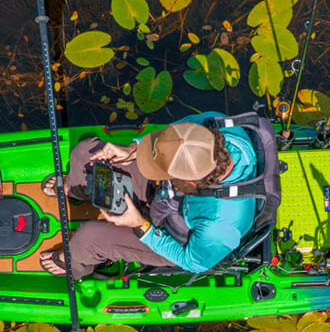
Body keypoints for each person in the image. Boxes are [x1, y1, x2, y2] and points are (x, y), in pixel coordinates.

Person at [39, 112, 261, 279]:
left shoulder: (221, 226)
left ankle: (78, 266)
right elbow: (170, 134)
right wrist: (133, 149)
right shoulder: (208, 126)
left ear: (190, 183)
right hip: (166, 194)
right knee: (84, 154)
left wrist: (141, 225)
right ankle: (77, 189)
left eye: (159, 167)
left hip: (172, 233)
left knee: (87, 240)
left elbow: (194, 261)